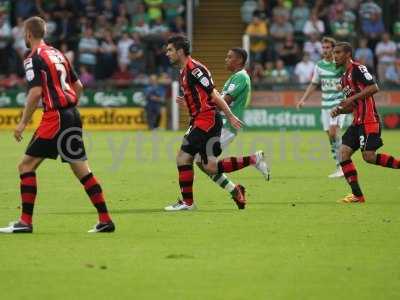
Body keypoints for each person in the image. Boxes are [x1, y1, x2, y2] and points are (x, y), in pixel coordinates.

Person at [0, 16, 115, 233]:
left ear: (28, 34)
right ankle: (106, 220)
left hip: (56, 118)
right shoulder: (58, 53)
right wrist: (68, 104)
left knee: (25, 166)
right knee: (82, 170)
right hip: (72, 114)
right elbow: (78, 85)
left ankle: (25, 222)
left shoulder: (32, 57)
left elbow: (35, 92)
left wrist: (23, 123)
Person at [164, 35, 267, 211]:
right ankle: (244, 174)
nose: (167, 53)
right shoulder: (184, 71)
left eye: (170, 50)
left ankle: (188, 203)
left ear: (180, 51)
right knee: (209, 166)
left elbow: (214, 95)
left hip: (206, 121)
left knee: (183, 158)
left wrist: (230, 115)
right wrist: (188, 102)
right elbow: (201, 96)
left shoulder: (195, 69)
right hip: (203, 120)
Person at [193, 48, 270, 205]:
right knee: (202, 162)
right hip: (221, 124)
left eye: (229, 57)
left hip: (225, 126)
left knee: (205, 163)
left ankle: (253, 160)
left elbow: (224, 102)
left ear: (239, 60)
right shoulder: (235, 77)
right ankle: (236, 190)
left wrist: (199, 108)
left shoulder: (241, 77)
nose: (226, 59)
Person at [331, 42, 400, 203]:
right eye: (334, 53)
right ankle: (357, 195)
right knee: (343, 153)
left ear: (348, 54)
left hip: (369, 120)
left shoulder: (358, 68)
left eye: (338, 52)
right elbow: (353, 105)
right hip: (357, 122)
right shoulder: (343, 79)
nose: (335, 56)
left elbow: (374, 87)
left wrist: (351, 99)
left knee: (368, 157)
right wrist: (340, 110)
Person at [297, 37, 345, 178]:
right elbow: (314, 84)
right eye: (323, 48)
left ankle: (344, 165)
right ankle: (340, 166)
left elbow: (350, 78)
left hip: (338, 103)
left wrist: (342, 85)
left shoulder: (341, 64)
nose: (325, 50)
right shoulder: (319, 65)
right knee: (331, 137)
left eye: (328, 47)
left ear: (333, 48)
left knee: (333, 133)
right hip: (325, 106)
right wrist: (303, 100)